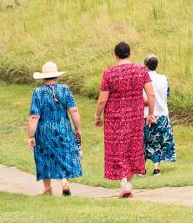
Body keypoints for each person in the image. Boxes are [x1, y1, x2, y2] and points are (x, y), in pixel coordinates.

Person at [94, 41, 154, 198]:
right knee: (132, 149)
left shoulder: (109, 73)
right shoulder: (141, 70)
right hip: (135, 117)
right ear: (130, 54)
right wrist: (151, 113)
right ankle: (128, 184)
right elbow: (151, 94)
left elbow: (102, 100)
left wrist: (97, 116)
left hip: (115, 119)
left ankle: (124, 183)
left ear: (115, 55)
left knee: (118, 149)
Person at [27, 61, 82, 196]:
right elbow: (73, 110)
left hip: (44, 130)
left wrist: (31, 136)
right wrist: (78, 128)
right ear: (57, 76)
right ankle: (64, 182)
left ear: (43, 77)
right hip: (63, 128)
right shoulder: (64, 89)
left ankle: (47, 189)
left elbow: (34, 116)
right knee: (64, 154)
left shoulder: (38, 92)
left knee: (44, 157)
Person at [141, 54, 176, 175]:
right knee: (159, 142)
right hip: (162, 114)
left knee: (145, 142)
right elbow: (166, 95)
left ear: (145, 66)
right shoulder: (164, 78)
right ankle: (157, 168)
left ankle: (142, 168)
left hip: (147, 114)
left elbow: (142, 98)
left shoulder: (143, 79)